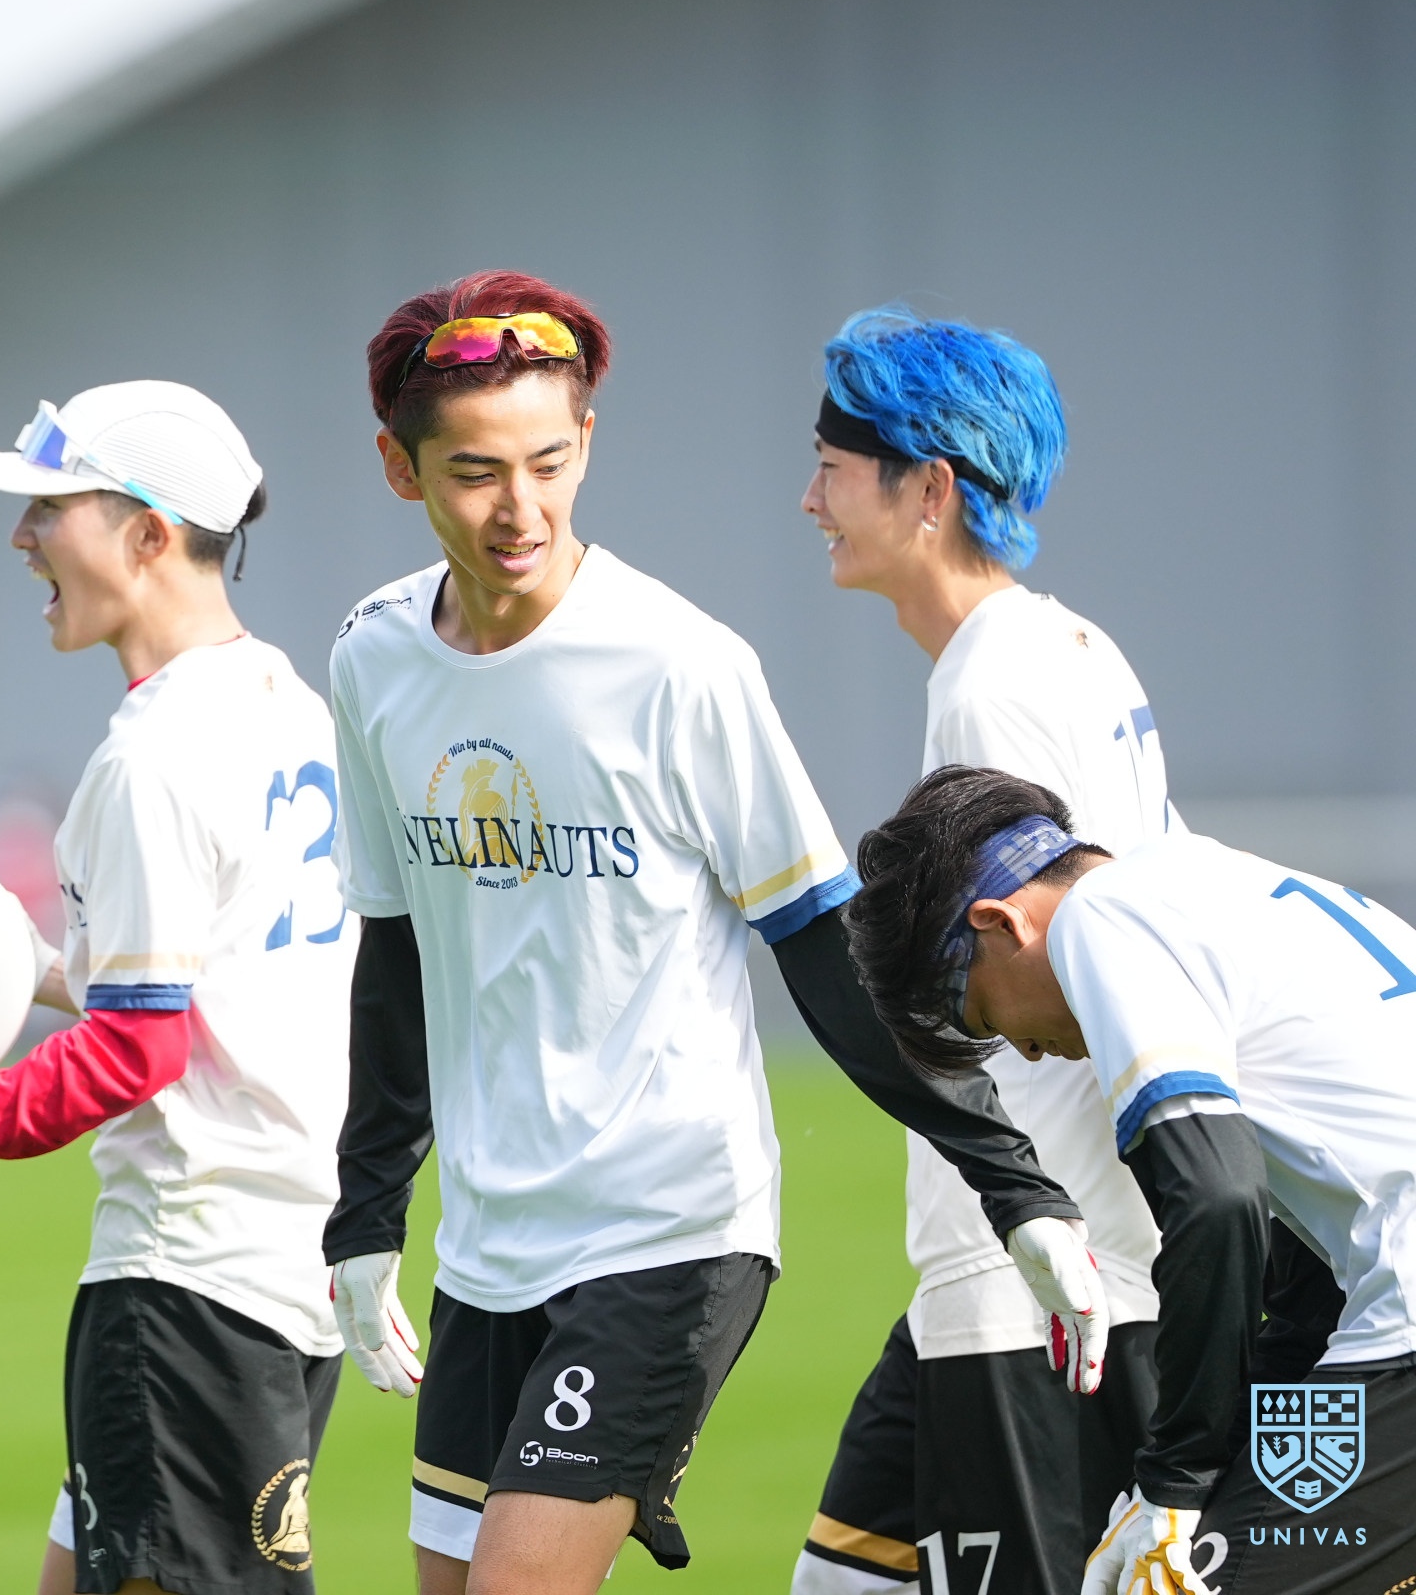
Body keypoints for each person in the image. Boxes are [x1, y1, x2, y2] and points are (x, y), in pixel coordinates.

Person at [321, 270, 1103, 1595]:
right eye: (475, 473)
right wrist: (365, 1214)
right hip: (488, 1248)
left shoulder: (683, 667)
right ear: (401, 471)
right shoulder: (372, 658)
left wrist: (1013, 1182)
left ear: (587, 444)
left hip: (672, 1229)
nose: (521, 509)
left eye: (549, 463)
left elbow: (831, 956)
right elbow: (396, 958)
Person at [0, 381, 353, 1595]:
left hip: (186, 1290)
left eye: (50, 508)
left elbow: (137, 1052)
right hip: (278, 1275)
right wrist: (22, 967)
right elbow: (223, 987)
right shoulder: (287, 704)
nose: (21, 536)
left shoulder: (153, 758)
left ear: (148, 533)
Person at [790, 308, 1179, 1595]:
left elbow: (1061, 956)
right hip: (1016, 1256)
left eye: (832, 469)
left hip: (1041, 1271)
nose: (810, 501)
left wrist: (1037, 1216)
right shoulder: (1069, 646)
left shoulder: (988, 687)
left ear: (930, 490)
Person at [848, 764, 1416, 1595]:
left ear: (1000, 922)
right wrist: (1191, 1476)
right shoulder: (1208, 877)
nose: (1028, 1052)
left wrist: (1175, 1483)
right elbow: (1308, 1285)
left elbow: (1217, 1202)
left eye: (987, 1016)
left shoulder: (1102, 919)